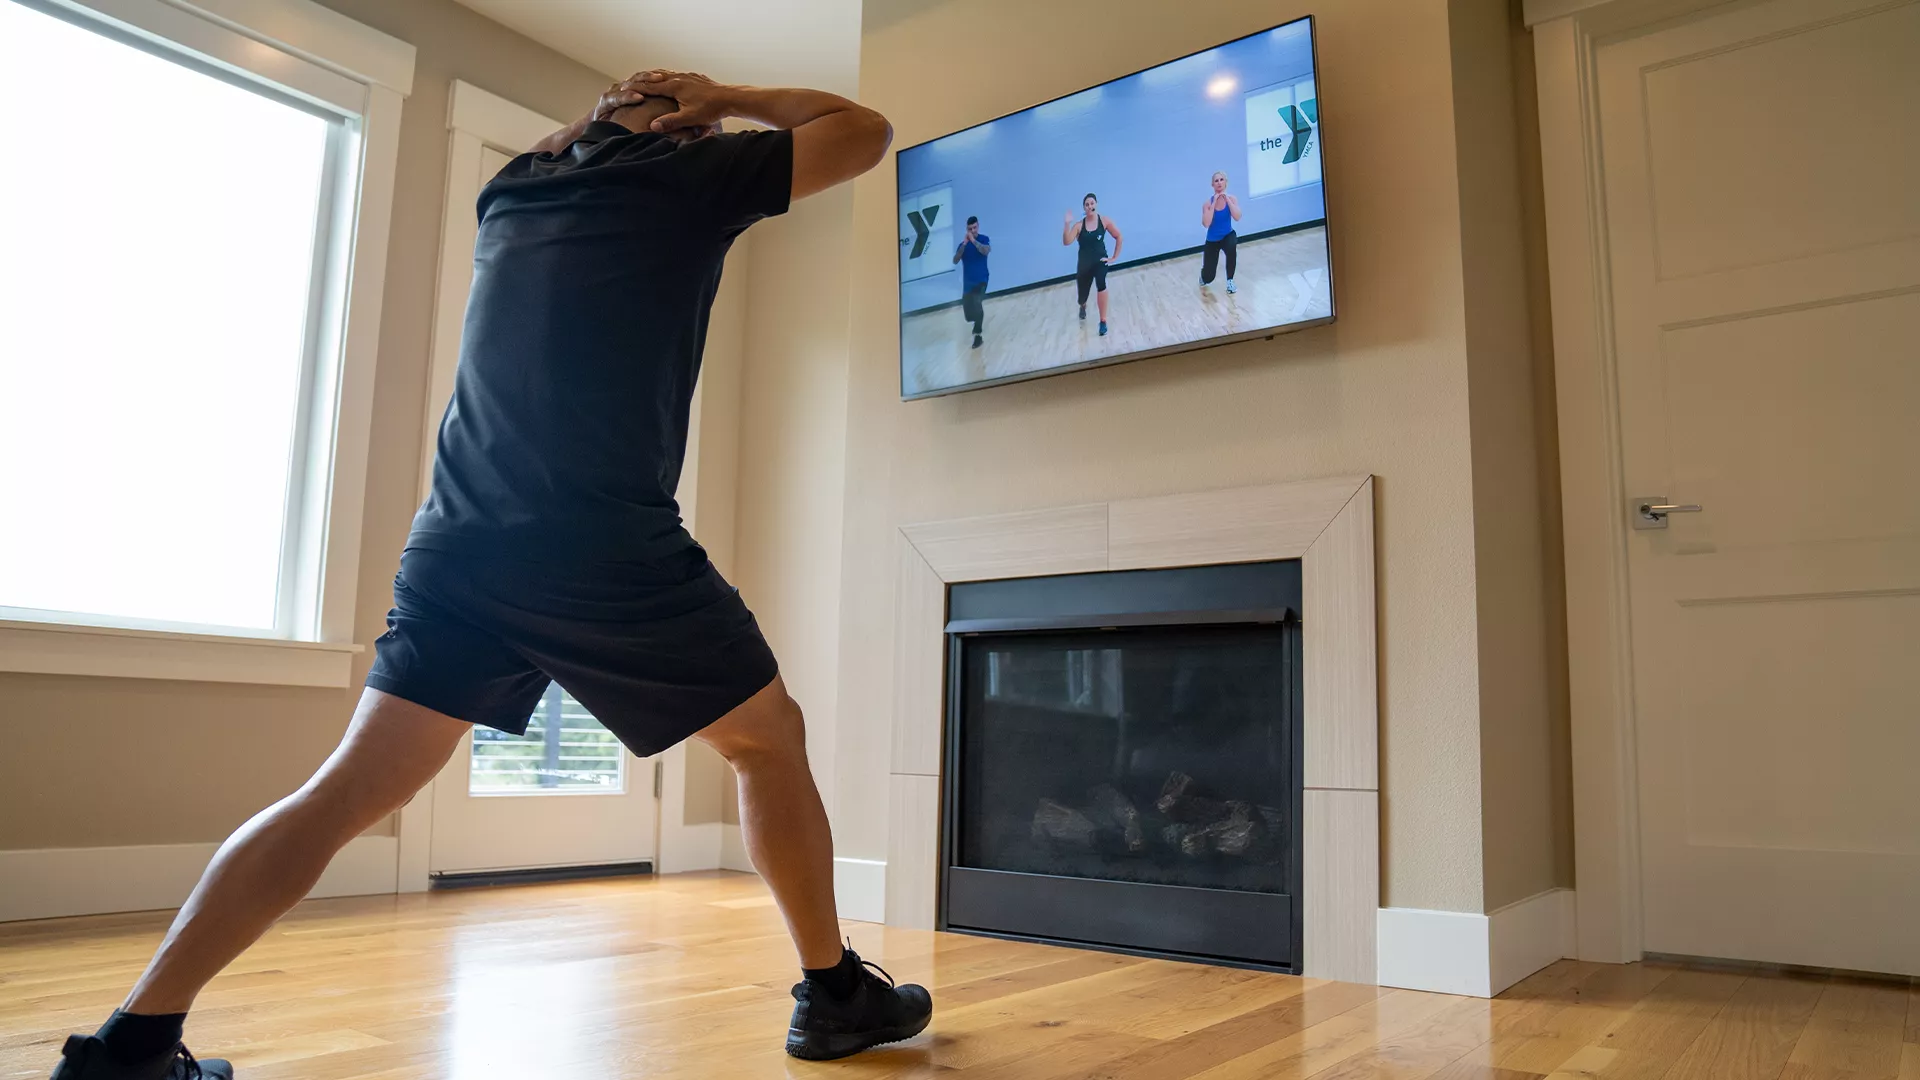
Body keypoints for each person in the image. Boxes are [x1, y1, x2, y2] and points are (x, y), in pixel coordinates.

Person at [46, 70, 928, 1080]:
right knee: (768, 740)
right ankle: (834, 994)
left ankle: (132, 1042)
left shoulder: (514, 188)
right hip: (598, 542)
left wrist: (608, 112)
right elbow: (863, 128)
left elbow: (573, 139)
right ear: (683, 132)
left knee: (339, 795)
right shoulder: (690, 176)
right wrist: (723, 93)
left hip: (461, 544)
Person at [1062, 192, 1122, 336]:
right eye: (1087, 204)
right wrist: (1067, 223)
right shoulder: (1079, 226)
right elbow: (1066, 241)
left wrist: (1114, 257)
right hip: (1084, 265)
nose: (1090, 206)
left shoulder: (1104, 221)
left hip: (1100, 261)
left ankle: (1103, 321)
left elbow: (1118, 236)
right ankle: (1083, 306)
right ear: (1084, 208)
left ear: (1096, 204)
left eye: (1092, 203)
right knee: (1082, 295)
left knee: (1101, 283)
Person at [1200, 170, 1241, 294]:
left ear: (1226, 183)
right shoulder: (1207, 204)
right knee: (1209, 277)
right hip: (1212, 240)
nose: (1219, 183)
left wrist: (1227, 200)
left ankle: (1230, 281)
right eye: (1216, 181)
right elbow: (1206, 224)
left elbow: (1237, 217)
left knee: (1231, 247)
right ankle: (1203, 276)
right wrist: (1213, 204)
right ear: (1212, 185)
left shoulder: (1232, 199)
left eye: (1221, 180)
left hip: (1227, 235)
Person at [952, 215, 990, 348]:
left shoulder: (983, 239)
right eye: (970, 229)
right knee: (968, 316)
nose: (973, 230)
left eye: (975, 227)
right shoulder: (963, 246)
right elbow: (955, 260)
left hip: (982, 280)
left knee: (977, 303)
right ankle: (976, 323)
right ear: (967, 229)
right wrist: (964, 244)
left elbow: (985, 251)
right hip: (968, 284)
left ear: (978, 226)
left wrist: (973, 241)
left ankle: (978, 335)